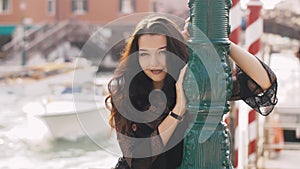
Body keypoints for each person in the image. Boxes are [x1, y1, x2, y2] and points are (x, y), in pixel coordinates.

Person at [105, 15, 278, 169]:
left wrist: (219, 41)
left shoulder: (194, 84)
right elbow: (139, 162)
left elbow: (263, 82)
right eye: (144, 54)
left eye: (162, 52)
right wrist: (179, 108)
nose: (153, 62)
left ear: (173, 51)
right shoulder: (126, 94)